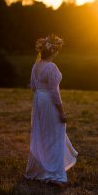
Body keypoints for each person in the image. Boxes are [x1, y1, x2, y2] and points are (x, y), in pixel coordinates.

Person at [25, 34, 78, 187]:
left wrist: (40, 96)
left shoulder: (36, 65)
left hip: (38, 101)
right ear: (54, 52)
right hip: (48, 101)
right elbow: (54, 92)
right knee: (55, 133)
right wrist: (61, 112)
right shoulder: (52, 67)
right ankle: (54, 173)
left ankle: (41, 168)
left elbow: (33, 87)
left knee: (41, 133)